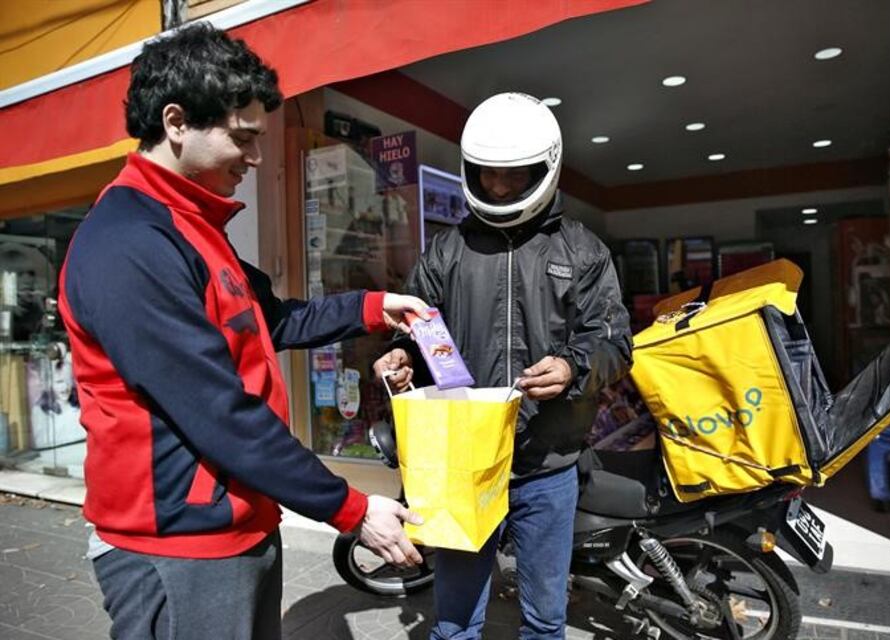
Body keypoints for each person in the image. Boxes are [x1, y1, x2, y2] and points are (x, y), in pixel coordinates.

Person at [58, 23, 428, 640]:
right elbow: (217, 411)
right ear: (176, 122)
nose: (255, 159)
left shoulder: (196, 227)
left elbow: (270, 321)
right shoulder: (130, 243)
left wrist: (371, 307)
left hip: (235, 524)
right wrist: (352, 509)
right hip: (178, 547)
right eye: (242, 138)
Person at [373, 92, 633, 639]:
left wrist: (571, 368)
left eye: (513, 176)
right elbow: (420, 334)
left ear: (546, 168)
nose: (497, 187)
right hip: (460, 465)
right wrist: (402, 361)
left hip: (548, 466)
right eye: (487, 174)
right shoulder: (446, 251)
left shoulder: (584, 251)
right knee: (454, 622)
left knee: (544, 620)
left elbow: (615, 343)